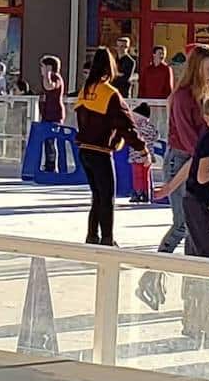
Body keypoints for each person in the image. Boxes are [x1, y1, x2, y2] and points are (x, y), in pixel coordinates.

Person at [159, 94, 209, 344]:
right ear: (207, 117)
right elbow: (201, 175)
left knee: (196, 257)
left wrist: (169, 187)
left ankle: (194, 318)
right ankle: (205, 317)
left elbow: (191, 165)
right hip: (198, 203)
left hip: (199, 202)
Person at [74, 50, 147, 245]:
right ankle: (107, 239)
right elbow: (127, 125)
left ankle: (92, 236)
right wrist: (142, 149)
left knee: (97, 196)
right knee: (107, 198)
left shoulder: (85, 91)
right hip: (101, 152)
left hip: (84, 151)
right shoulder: (110, 94)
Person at [37, 55, 67, 172]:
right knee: (46, 141)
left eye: (43, 66)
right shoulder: (47, 78)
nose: (41, 69)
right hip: (46, 113)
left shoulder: (55, 78)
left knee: (51, 141)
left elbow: (49, 87)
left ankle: (52, 166)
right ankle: (48, 164)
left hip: (55, 114)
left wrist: (47, 74)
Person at [129, 102, 160, 202]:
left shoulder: (135, 128)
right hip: (148, 156)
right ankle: (147, 193)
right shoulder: (150, 128)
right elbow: (155, 136)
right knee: (146, 175)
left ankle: (138, 193)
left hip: (136, 156)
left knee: (137, 176)